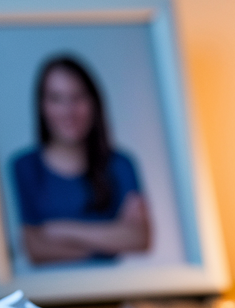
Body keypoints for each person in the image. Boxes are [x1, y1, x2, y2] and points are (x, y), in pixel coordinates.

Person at [12, 55, 151, 265]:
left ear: (94, 102)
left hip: (112, 287)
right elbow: (33, 247)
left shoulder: (120, 164)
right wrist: (111, 238)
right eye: (57, 99)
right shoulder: (23, 167)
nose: (69, 111)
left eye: (77, 97)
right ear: (42, 106)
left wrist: (58, 230)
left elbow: (139, 238)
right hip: (46, 293)